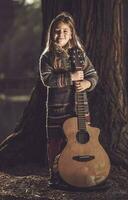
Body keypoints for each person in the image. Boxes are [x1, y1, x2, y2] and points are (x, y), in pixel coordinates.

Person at [39, 12, 98, 188]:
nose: (61, 35)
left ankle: (80, 171)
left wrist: (87, 83)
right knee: (56, 143)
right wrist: (70, 77)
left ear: (71, 34)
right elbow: (47, 80)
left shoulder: (79, 54)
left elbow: (93, 74)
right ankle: (56, 175)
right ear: (51, 34)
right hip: (58, 110)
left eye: (65, 31)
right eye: (57, 31)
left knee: (80, 141)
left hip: (79, 109)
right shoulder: (47, 57)